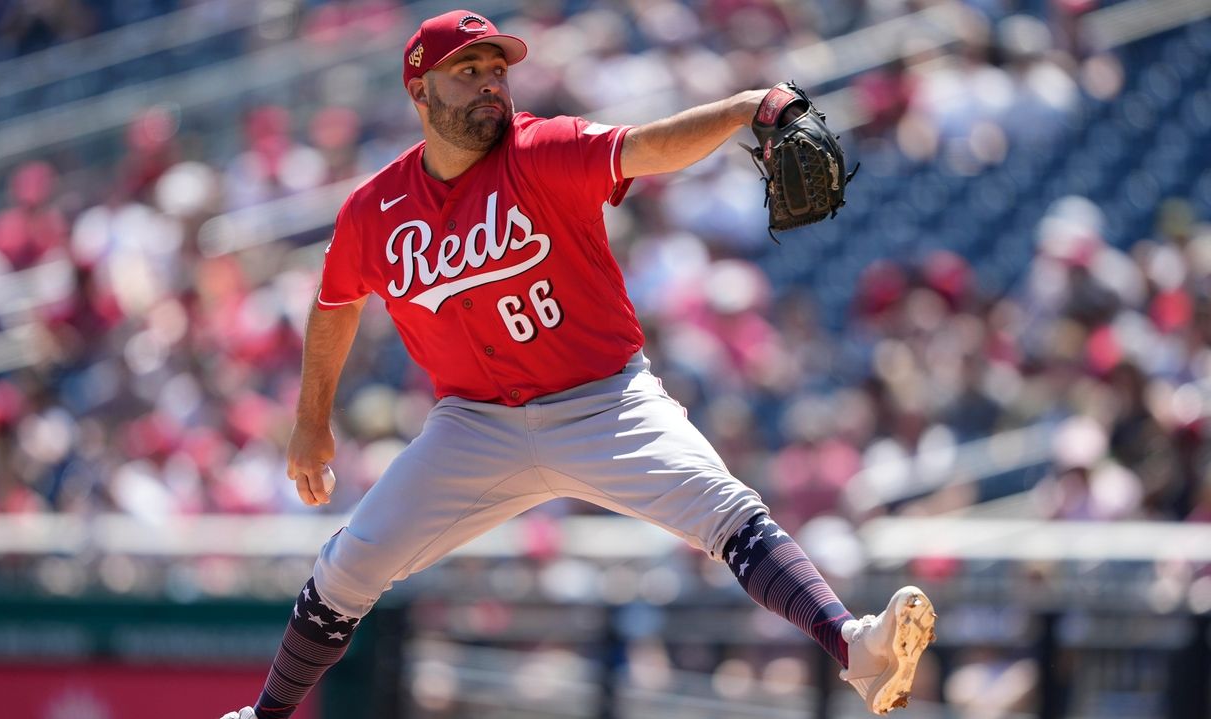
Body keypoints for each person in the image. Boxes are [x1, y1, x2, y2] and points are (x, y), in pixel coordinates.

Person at [222, 10, 935, 719]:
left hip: (605, 402)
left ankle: (855, 647)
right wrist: (311, 422)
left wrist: (750, 106)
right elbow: (335, 301)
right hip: (475, 424)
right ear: (421, 90)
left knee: (728, 511)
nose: (489, 85)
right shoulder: (374, 209)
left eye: (497, 70)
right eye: (467, 72)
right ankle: (264, 715)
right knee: (349, 564)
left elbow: (649, 147)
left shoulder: (543, 148)